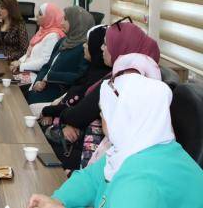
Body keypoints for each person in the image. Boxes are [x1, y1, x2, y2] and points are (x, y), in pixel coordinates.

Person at [27, 75, 203, 208]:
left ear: (124, 117)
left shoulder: (139, 185)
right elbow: (91, 178)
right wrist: (59, 200)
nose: (101, 115)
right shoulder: (139, 147)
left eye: (105, 111)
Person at [57, 20, 160, 169]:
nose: (101, 48)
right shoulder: (128, 73)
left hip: (100, 158)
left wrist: (63, 116)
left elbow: (81, 115)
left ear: (121, 46)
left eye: (106, 44)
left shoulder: (123, 82)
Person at [38, 25, 109, 170]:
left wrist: (51, 111)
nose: (84, 46)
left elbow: (79, 114)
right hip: (71, 129)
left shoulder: (105, 80)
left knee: (37, 142)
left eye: (88, 43)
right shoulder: (92, 70)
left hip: (82, 147)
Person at [27, 6, 94, 109]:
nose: (61, 23)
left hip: (61, 93)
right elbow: (47, 65)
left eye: (65, 19)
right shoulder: (63, 41)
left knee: (22, 102)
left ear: (77, 23)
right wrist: (38, 81)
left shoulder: (85, 48)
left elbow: (81, 77)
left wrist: (51, 76)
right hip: (44, 88)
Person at [10, 3, 66, 75]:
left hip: (36, 75)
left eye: (40, 14)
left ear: (49, 17)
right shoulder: (42, 31)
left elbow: (45, 62)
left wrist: (21, 65)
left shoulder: (53, 36)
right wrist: (19, 61)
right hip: (27, 70)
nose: (36, 16)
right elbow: (29, 54)